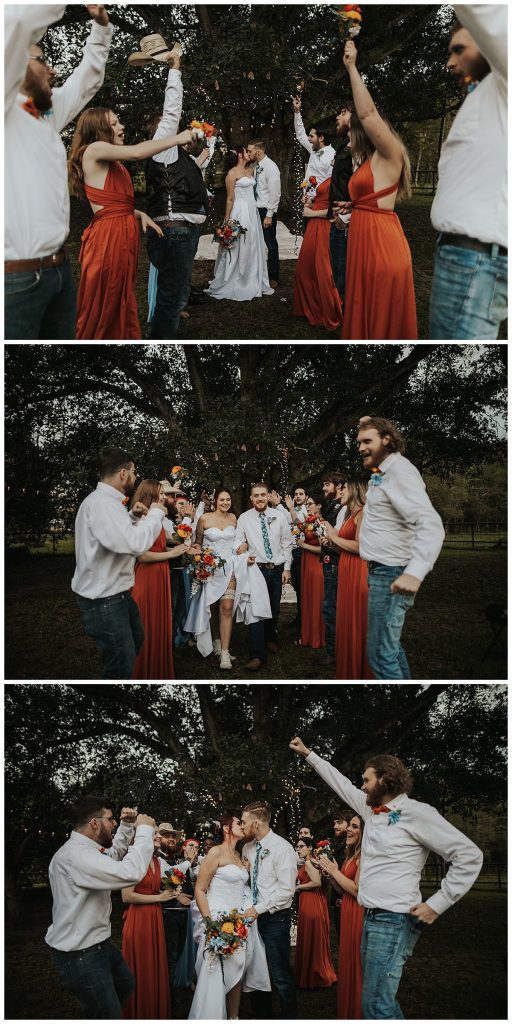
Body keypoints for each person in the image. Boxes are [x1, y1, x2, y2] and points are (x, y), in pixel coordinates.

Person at [290, 738, 484, 1020]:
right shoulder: (370, 809)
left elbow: (469, 855)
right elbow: (340, 783)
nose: (362, 785)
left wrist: (437, 903)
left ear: (385, 779)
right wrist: (309, 754)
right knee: (374, 1000)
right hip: (370, 918)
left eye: (366, 779)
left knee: (376, 1004)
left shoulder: (418, 813)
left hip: (394, 920)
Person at [5, 4, 113, 340]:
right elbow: (17, 20)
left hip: (60, 274)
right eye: (42, 61)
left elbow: (87, 82)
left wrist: (100, 25)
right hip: (14, 285)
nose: (52, 71)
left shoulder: (44, 114)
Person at [68, 95, 196, 339]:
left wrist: (138, 213)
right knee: (105, 299)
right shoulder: (94, 149)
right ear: (99, 129)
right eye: (114, 123)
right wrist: (177, 138)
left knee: (118, 295)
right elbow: (138, 153)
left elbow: (110, 202)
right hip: (107, 240)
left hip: (122, 233)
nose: (121, 126)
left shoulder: (111, 161)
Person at [429, 6, 507, 339]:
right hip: (465, 258)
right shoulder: (489, 97)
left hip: (474, 263)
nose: (450, 62)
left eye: (459, 49)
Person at [45, 795, 155, 1019]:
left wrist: (125, 826)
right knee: (107, 1014)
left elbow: (111, 860)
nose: (113, 823)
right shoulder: (77, 855)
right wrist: (143, 832)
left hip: (98, 943)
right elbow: (128, 873)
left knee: (125, 983)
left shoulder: (86, 851)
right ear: (94, 823)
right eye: (110, 819)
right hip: (80, 953)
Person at [357, 416, 445, 679]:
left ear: (387, 440)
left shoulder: (399, 471)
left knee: (381, 655)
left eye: (367, 441)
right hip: (382, 571)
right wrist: (368, 421)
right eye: (359, 442)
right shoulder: (383, 471)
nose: (361, 447)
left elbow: (430, 523)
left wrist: (415, 572)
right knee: (390, 650)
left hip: (392, 573)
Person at [341, 40, 417, 340]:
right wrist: (354, 206)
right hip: (365, 239)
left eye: (350, 122)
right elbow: (372, 198)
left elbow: (370, 114)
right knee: (364, 309)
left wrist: (351, 67)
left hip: (381, 247)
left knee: (380, 320)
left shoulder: (391, 153)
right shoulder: (371, 159)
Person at [71, 447, 167, 679]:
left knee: (137, 639)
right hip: (103, 600)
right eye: (134, 472)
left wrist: (132, 518)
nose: (135, 477)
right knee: (121, 665)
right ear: (123, 473)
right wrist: (155, 514)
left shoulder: (108, 503)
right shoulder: (102, 504)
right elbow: (134, 545)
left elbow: (112, 536)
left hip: (118, 593)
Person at [145, 52, 210, 339]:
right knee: (172, 295)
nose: (175, 125)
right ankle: (160, 337)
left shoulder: (173, 157)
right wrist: (175, 69)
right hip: (176, 232)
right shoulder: (162, 145)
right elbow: (172, 112)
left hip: (182, 230)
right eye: (167, 126)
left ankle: (163, 329)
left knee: (174, 291)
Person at [189, 813, 271, 1020]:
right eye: (238, 823)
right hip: (217, 918)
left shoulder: (239, 854)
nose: (243, 826)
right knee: (214, 972)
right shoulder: (216, 852)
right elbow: (200, 889)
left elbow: (242, 888)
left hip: (238, 920)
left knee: (238, 968)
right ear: (226, 828)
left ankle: (233, 1017)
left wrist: (248, 872)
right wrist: (209, 923)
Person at [130, 479, 194, 680]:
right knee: (147, 624)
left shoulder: (155, 518)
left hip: (160, 574)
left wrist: (176, 549)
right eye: (161, 493)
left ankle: (157, 667)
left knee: (160, 623)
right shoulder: (142, 519)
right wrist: (172, 554)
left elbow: (157, 547)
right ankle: (144, 669)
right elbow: (143, 555)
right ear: (150, 495)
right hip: (147, 577)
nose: (165, 497)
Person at [241, 801, 298, 1019]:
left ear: (256, 823)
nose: (242, 826)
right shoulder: (247, 848)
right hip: (252, 917)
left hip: (275, 918)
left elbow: (286, 890)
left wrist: (259, 908)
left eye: (245, 822)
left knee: (280, 972)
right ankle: (261, 1014)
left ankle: (289, 1017)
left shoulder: (282, 848)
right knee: (255, 967)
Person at [235, 482, 293, 671]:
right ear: (251, 498)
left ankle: (270, 638)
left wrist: (286, 568)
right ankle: (257, 655)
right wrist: (243, 551)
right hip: (255, 569)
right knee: (256, 611)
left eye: (263, 495)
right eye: (256, 495)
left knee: (274, 609)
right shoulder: (244, 518)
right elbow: (238, 540)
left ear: (268, 496)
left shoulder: (280, 516)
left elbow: (287, 544)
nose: (260, 498)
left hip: (276, 569)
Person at [206, 147, 274, 302]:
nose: (249, 153)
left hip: (252, 211)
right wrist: (226, 221)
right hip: (240, 211)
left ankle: (253, 276)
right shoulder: (231, 174)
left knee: (252, 243)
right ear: (239, 155)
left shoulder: (251, 169)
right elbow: (230, 199)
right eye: (246, 151)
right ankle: (236, 277)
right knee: (239, 244)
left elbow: (258, 157)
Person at [322, 478, 373, 680]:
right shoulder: (348, 515)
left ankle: (361, 666)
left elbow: (361, 547)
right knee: (345, 616)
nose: (340, 493)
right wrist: (331, 541)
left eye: (344, 489)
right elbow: (344, 544)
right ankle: (348, 663)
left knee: (357, 618)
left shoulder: (364, 513)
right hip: (345, 567)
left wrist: (334, 537)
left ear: (354, 491)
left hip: (358, 571)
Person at [185, 487, 239, 669]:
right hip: (210, 568)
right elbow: (198, 543)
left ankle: (225, 652)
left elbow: (238, 541)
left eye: (228, 500)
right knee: (212, 606)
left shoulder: (233, 518)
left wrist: (244, 546)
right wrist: (199, 558)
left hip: (229, 567)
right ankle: (216, 640)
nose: (225, 502)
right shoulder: (204, 519)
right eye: (222, 500)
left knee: (227, 606)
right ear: (216, 501)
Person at [121, 828, 172, 1019]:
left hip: (155, 918)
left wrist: (169, 894)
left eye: (158, 833)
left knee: (154, 968)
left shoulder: (157, 860)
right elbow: (126, 896)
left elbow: (154, 891)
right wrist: (160, 899)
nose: (158, 836)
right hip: (139, 921)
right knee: (141, 969)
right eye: (154, 833)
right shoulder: (134, 859)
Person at [317, 814, 364, 1020]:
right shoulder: (350, 854)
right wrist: (331, 875)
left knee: (357, 964)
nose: (350, 830)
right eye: (350, 826)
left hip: (358, 913)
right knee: (346, 961)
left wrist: (335, 871)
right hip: (347, 910)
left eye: (355, 826)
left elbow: (356, 890)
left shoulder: (366, 856)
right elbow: (343, 888)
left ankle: (357, 1011)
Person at [293, 177, 343, 332]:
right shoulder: (332, 176)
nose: (332, 161)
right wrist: (311, 203)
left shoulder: (342, 179)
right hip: (314, 224)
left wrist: (312, 213)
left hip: (324, 226)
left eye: (336, 158)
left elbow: (336, 211)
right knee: (304, 268)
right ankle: (307, 306)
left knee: (322, 270)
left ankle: (326, 310)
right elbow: (324, 201)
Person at [294, 837, 337, 990]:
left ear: (310, 848)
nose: (298, 849)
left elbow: (316, 883)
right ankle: (315, 971)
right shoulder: (315, 861)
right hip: (316, 901)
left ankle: (313, 975)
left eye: (301, 846)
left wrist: (298, 888)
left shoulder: (308, 862)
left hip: (310, 902)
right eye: (297, 847)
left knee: (310, 936)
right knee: (314, 937)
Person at [246, 140, 281, 288]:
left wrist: (269, 214)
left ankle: (274, 276)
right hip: (255, 209)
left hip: (266, 210)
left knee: (270, 244)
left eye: (250, 151)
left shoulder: (271, 167)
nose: (248, 154)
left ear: (258, 152)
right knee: (256, 243)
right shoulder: (255, 165)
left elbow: (275, 193)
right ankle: (258, 272)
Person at [319, 473, 345, 666]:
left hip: (335, 563)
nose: (324, 488)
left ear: (339, 486)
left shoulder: (342, 508)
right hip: (330, 561)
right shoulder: (332, 506)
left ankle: (332, 652)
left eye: (327, 484)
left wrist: (328, 538)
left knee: (330, 608)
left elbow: (337, 534)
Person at [328, 103, 353, 302]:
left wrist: (346, 216)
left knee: (345, 276)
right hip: (337, 217)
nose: (338, 116)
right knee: (337, 272)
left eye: (343, 112)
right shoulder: (344, 145)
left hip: (347, 222)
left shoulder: (364, 148)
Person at [296, 494, 326, 650]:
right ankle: (307, 635)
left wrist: (303, 545)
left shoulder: (320, 523)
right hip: (306, 563)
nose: (307, 506)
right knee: (307, 597)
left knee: (316, 599)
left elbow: (323, 549)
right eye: (306, 504)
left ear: (319, 506)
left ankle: (318, 637)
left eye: (310, 504)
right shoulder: (309, 522)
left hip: (316, 565)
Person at [292, 95, 337, 186]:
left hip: (319, 199)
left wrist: (312, 199)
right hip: (307, 197)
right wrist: (297, 111)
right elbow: (300, 135)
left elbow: (330, 183)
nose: (308, 139)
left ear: (321, 138)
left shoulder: (332, 156)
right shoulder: (314, 148)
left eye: (311, 136)